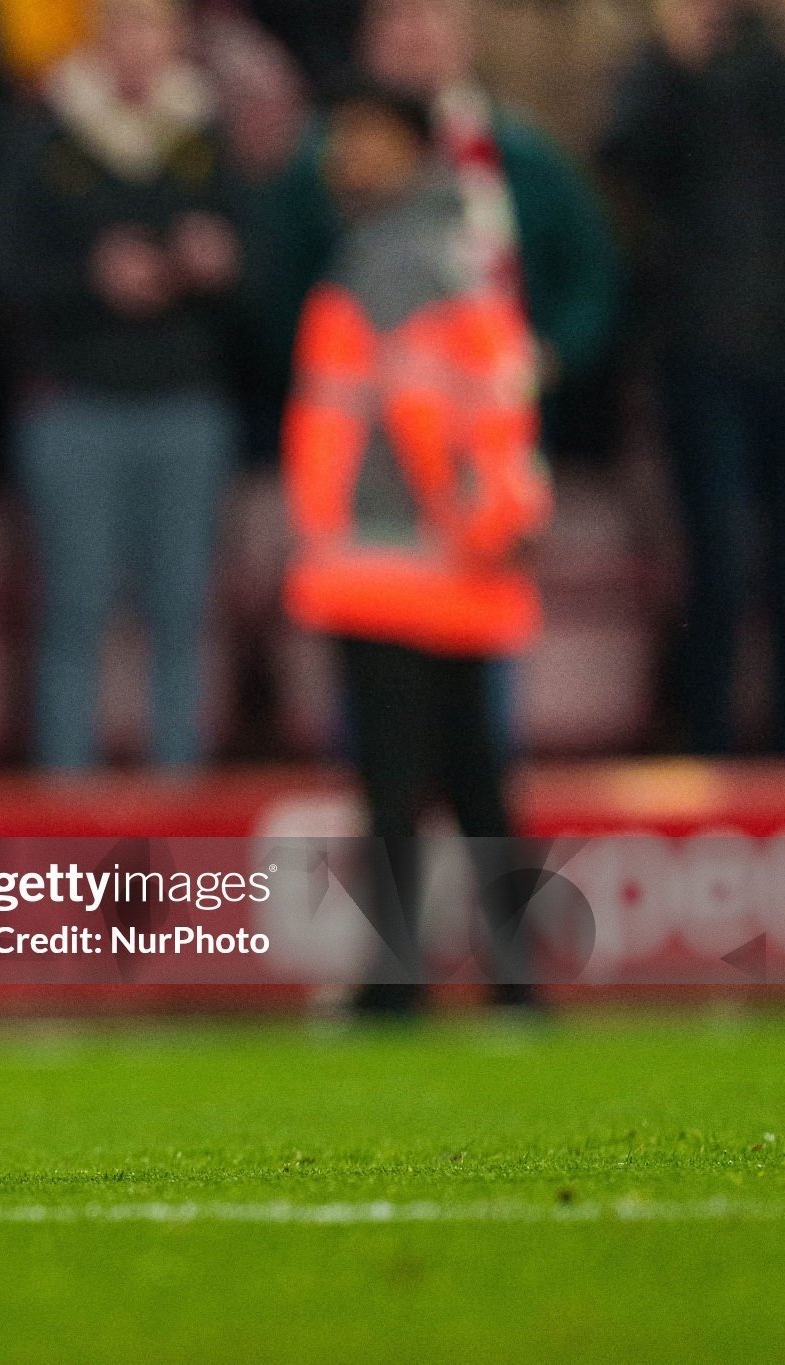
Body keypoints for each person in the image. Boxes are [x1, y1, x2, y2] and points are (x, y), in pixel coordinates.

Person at [280, 83, 549, 1011]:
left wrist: (461, 521)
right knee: (475, 781)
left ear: (408, 148)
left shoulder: (392, 260)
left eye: (363, 135)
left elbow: (423, 404)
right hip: (453, 565)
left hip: (393, 561)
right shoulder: (449, 247)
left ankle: (394, 982)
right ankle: (516, 977)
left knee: (395, 785)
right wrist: (491, 524)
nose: (344, 155)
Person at [0, 0, 243, 770]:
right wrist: (89, 278)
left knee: (182, 608)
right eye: (124, 24)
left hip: (186, 404)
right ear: (98, 36)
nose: (139, 43)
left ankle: (180, 788)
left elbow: (263, 278)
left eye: (154, 26)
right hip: (75, 403)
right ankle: (65, 791)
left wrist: (219, 264)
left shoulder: (204, 139)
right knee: (74, 606)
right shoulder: (43, 137)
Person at [256, 0, 619, 436]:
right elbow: (277, 289)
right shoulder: (319, 162)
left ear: (468, 32)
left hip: (495, 423)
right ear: (366, 33)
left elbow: (590, 273)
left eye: (435, 13)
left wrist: (551, 355)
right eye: (398, 14)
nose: (417, 32)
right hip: (359, 428)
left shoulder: (521, 157)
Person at [600, 0, 785, 753]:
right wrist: (677, 63)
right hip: (700, 350)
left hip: (768, 346)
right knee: (716, 556)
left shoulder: (767, 64)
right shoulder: (665, 64)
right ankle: (709, 739)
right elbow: (624, 157)